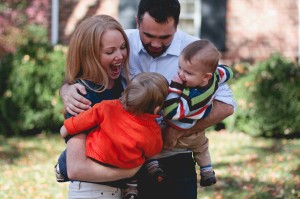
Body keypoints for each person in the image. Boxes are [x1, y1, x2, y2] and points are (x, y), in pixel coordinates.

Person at [60, 0, 236, 198]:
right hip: (132, 157)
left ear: (177, 26)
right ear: (137, 22)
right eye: (149, 35)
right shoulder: (121, 43)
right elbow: (88, 70)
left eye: (165, 37)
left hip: (176, 158)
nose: (156, 43)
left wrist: (175, 130)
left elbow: (226, 105)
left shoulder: (196, 51)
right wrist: (66, 89)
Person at [54, 14, 143, 199]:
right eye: (110, 52)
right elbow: (77, 168)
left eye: (123, 47)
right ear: (90, 56)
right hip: (93, 192)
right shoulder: (83, 96)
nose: (120, 56)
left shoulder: (120, 86)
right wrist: (130, 171)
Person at [59, 72, 169, 199]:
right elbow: (153, 150)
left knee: (73, 148)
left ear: (126, 93)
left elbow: (83, 120)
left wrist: (66, 128)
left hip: (96, 155)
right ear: (156, 109)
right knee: (141, 159)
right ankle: (131, 187)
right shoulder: (153, 131)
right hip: (124, 166)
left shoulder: (108, 106)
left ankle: (61, 168)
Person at [146, 39, 234, 188]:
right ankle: (207, 171)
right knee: (202, 147)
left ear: (205, 76)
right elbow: (228, 71)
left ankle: (153, 165)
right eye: (180, 68)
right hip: (196, 132)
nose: (181, 74)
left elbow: (171, 112)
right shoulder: (216, 76)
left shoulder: (192, 96)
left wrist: (174, 87)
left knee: (153, 143)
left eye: (187, 73)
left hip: (179, 130)